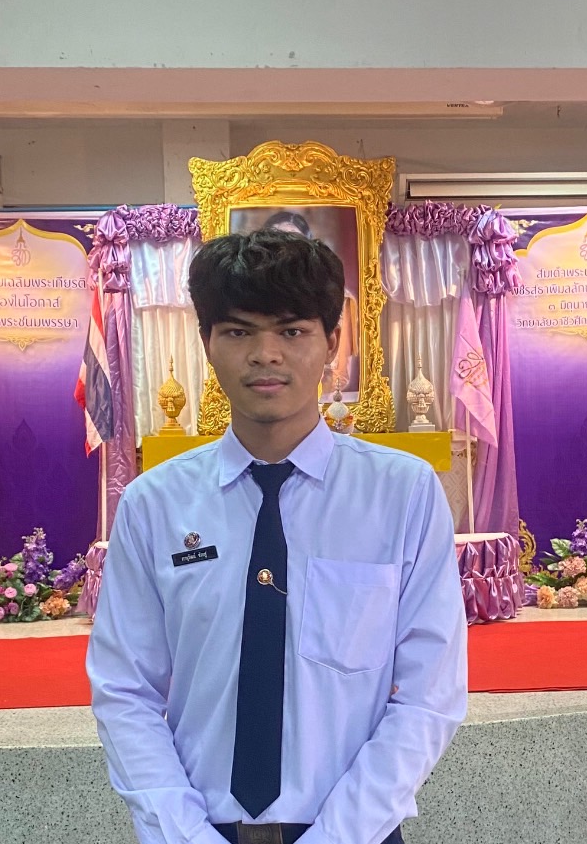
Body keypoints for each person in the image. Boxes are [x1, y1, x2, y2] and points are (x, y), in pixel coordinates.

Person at [87, 229, 467, 844]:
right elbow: (125, 690)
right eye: (239, 332)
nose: (265, 354)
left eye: (291, 331)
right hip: (196, 831)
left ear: (332, 342)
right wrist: (185, 834)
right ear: (207, 343)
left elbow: (429, 693)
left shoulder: (401, 494)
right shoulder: (153, 505)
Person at [261, 210, 359, 398]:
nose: (283, 250)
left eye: (293, 241)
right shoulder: (244, 298)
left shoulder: (338, 300)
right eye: (275, 241)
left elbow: (338, 373)